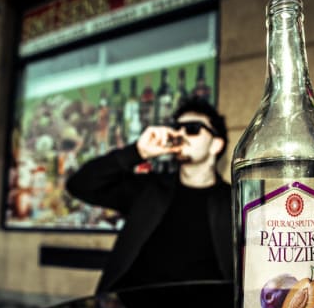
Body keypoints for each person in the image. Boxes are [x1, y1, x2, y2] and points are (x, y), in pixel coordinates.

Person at [66, 97, 232, 293]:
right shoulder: (149, 189)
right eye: (176, 128)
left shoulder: (234, 203)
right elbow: (80, 185)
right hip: (131, 303)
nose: (180, 134)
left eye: (192, 128)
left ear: (216, 145)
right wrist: (138, 152)